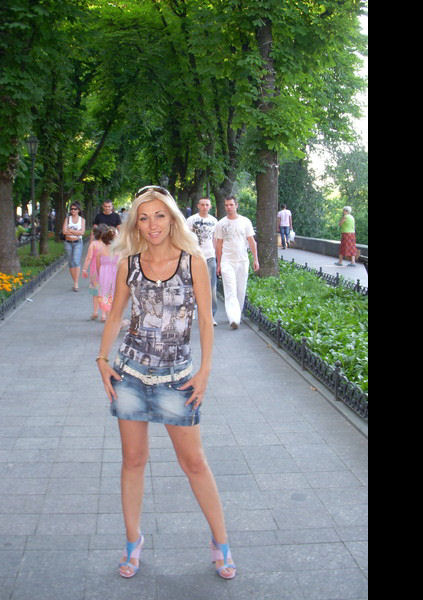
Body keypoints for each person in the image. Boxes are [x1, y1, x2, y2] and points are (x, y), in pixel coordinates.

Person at [96, 185, 237, 580]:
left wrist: (204, 371)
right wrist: (102, 359)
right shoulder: (129, 263)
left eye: (160, 215)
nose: (152, 224)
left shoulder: (192, 262)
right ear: (135, 224)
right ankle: (132, 541)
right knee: (132, 460)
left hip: (177, 378)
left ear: (172, 219)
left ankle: (221, 542)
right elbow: (115, 315)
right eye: (144, 217)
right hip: (130, 375)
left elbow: (206, 319)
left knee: (194, 462)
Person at [214, 196, 259, 329]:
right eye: (226, 205)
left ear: (236, 205)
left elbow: (252, 242)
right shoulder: (221, 224)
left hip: (242, 261)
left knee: (240, 289)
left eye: (231, 205)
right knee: (230, 289)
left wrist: (256, 259)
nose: (229, 207)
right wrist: (218, 263)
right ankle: (233, 318)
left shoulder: (245, 222)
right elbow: (218, 245)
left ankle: (237, 315)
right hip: (227, 261)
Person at [187, 197, 219, 326]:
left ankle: (211, 315)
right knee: (192, 285)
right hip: (195, 256)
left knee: (211, 287)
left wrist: (216, 255)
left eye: (207, 205)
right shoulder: (191, 220)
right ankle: (192, 310)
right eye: (202, 204)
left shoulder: (214, 221)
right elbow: (187, 238)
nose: (204, 207)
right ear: (198, 206)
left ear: (210, 206)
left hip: (210, 257)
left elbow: (216, 239)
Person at [82, 225, 107, 319]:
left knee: (95, 292)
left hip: (95, 271)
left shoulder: (93, 244)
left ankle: (95, 312)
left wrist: (84, 269)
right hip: (106, 271)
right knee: (104, 293)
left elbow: (88, 257)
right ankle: (104, 314)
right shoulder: (108, 245)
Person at [96, 226, 119, 322]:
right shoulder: (119, 250)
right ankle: (113, 314)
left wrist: (99, 275)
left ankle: (104, 314)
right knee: (114, 293)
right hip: (115, 273)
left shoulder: (101, 250)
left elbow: (98, 265)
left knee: (104, 293)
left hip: (104, 274)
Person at [62, 202, 85, 291]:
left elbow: (82, 232)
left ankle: (76, 283)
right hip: (68, 242)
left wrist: (70, 230)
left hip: (78, 242)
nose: (73, 210)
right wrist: (76, 232)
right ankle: (75, 281)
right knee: (71, 262)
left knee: (76, 261)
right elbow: (64, 231)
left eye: (75, 209)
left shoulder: (82, 220)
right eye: (71, 209)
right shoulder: (67, 219)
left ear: (78, 210)